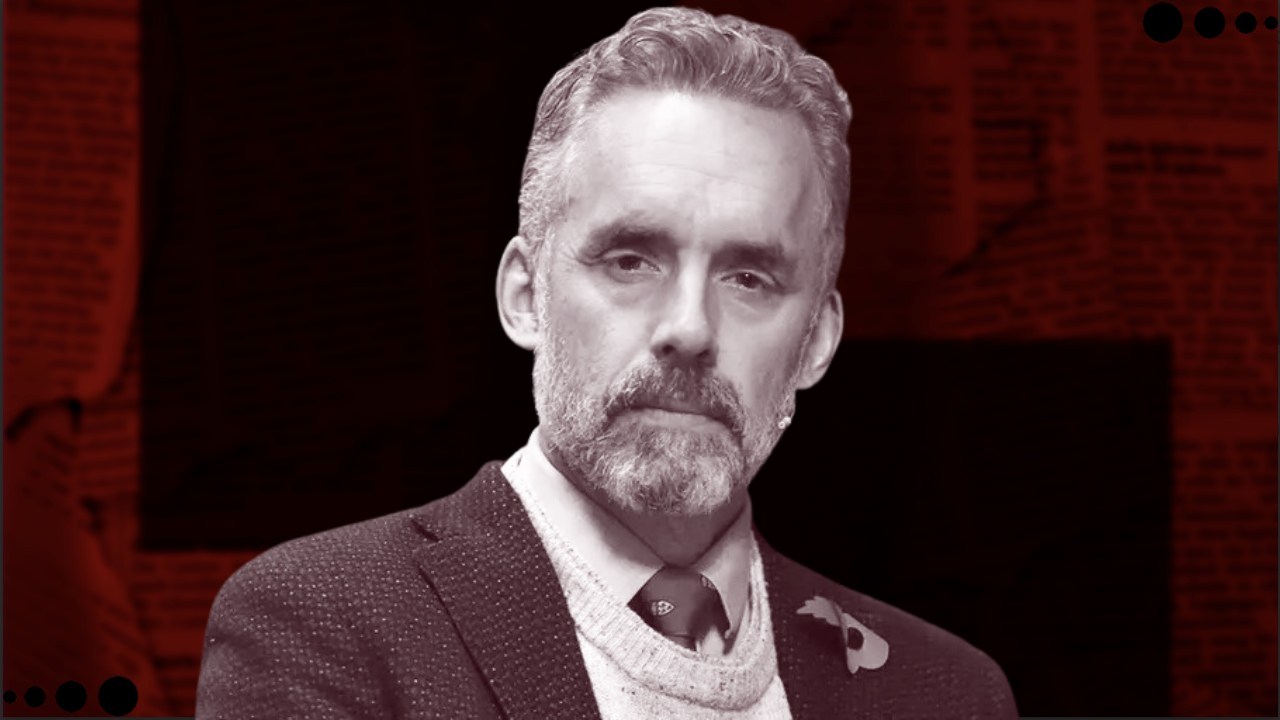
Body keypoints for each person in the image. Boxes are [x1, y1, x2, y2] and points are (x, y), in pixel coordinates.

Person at [196, 7, 1018, 719]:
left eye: (749, 277)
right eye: (631, 260)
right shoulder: (324, 623)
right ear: (525, 296)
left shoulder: (947, 694)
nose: (689, 328)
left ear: (815, 343)